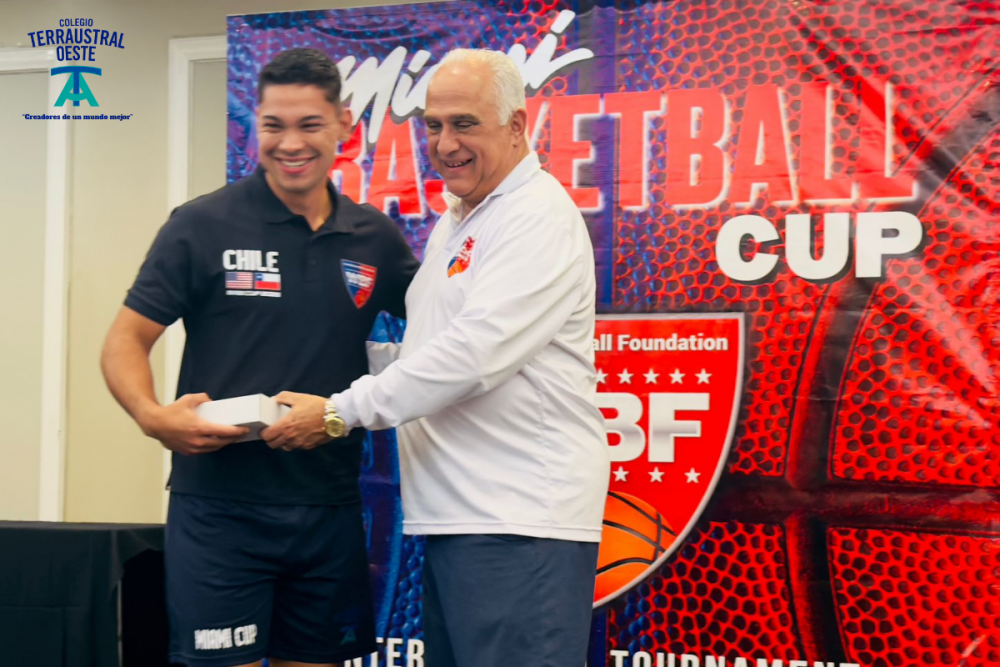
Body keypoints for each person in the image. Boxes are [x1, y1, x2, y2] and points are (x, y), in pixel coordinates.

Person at [264, 48, 610, 667]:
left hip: (518, 520)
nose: (445, 144)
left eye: (464, 124)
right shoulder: (463, 217)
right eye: (433, 125)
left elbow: (473, 355)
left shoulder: (536, 215)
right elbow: (432, 348)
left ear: (516, 125)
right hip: (461, 516)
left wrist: (339, 412)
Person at [101, 48, 419, 667]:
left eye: (309, 124)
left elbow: (446, 338)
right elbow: (124, 340)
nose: (290, 143)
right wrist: (152, 416)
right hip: (220, 512)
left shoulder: (375, 237)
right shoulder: (201, 224)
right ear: (257, 125)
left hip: (329, 509)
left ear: (343, 124)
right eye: (274, 125)